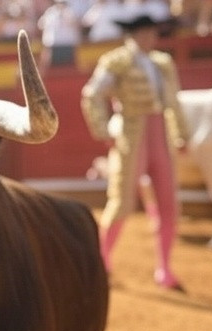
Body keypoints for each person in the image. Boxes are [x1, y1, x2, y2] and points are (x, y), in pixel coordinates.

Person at [81, 13, 190, 290]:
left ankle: (164, 269)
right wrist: (103, 130)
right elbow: (92, 94)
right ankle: (101, 261)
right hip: (131, 133)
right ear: (132, 35)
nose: (149, 38)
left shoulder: (162, 63)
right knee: (121, 202)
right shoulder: (116, 61)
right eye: (144, 33)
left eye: (152, 33)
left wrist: (180, 134)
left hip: (160, 135)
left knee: (168, 203)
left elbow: (174, 102)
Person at [38, 0, 82, 68]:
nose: (60, 5)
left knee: (70, 66)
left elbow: (76, 25)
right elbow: (41, 25)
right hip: (53, 45)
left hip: (68, 45)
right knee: (48, 65)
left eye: (62, 3)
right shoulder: (50, 12)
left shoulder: (70, 12)